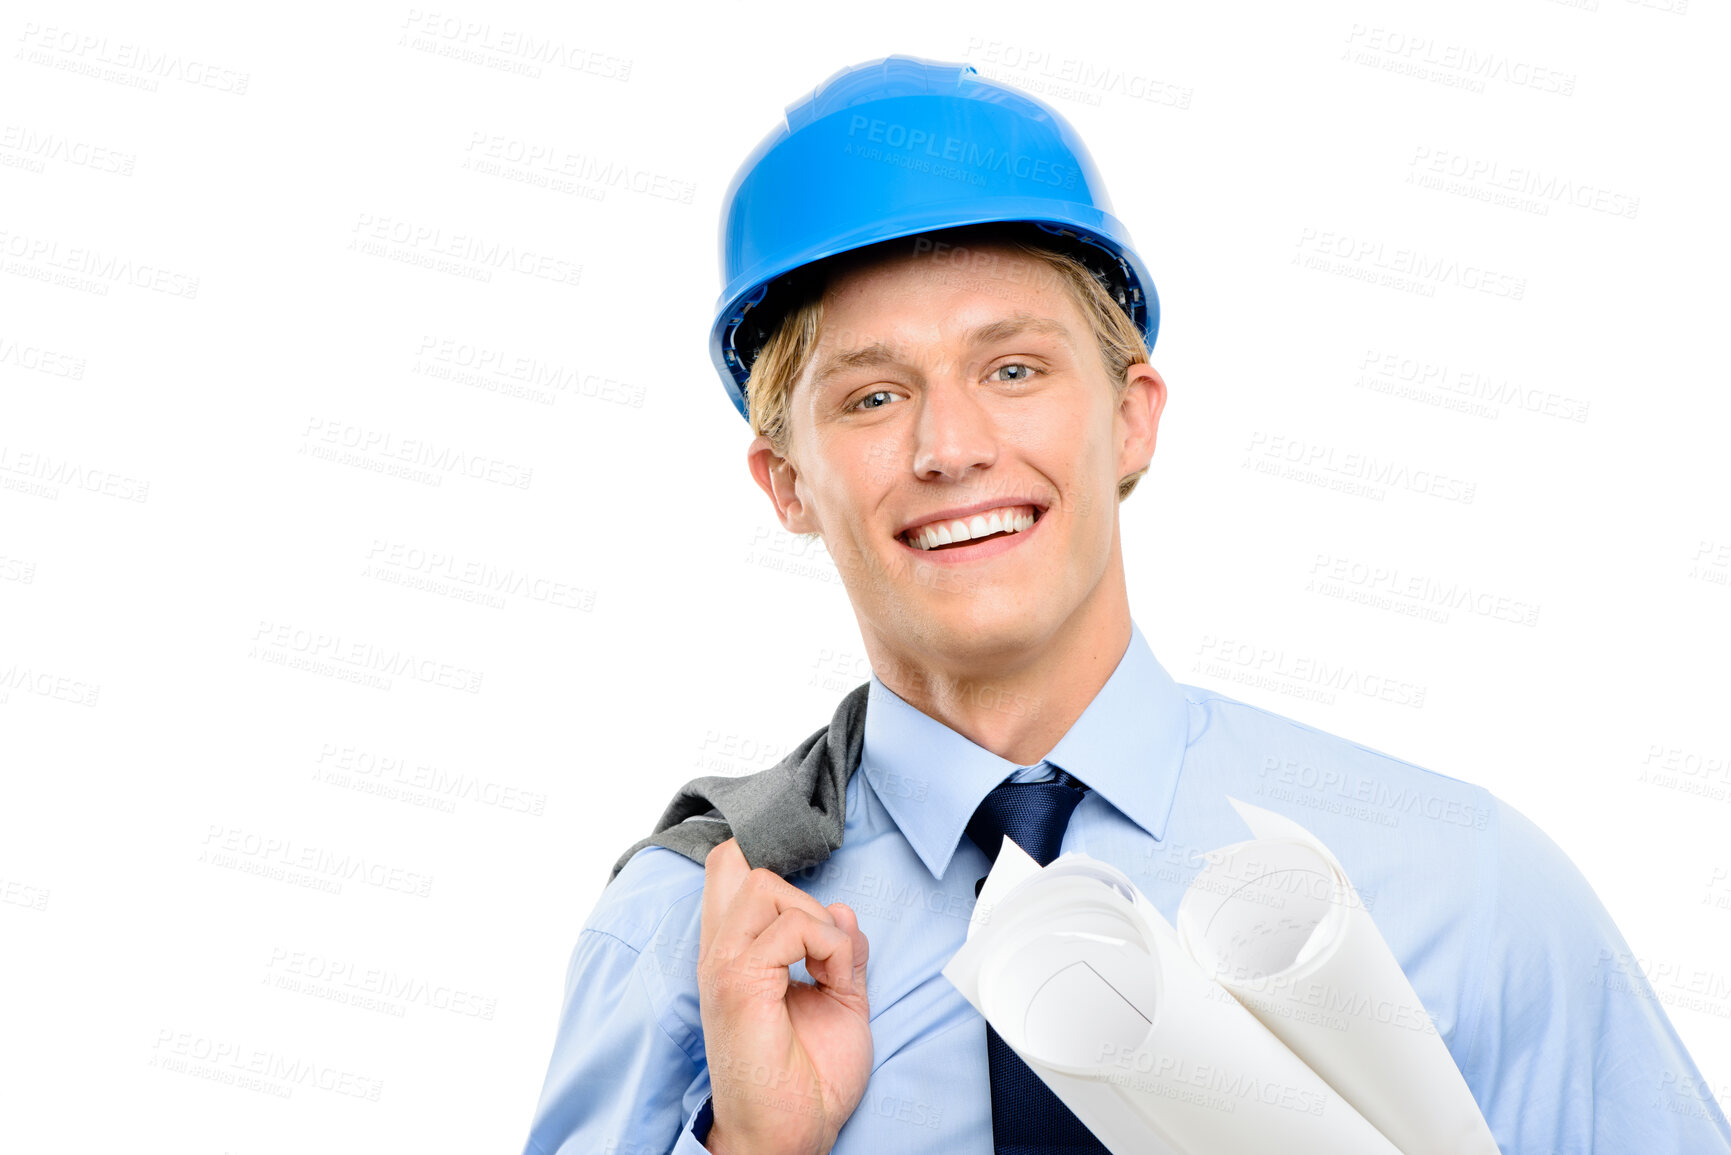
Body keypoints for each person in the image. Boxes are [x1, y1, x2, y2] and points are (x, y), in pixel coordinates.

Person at [521, 56, 1731, 1155]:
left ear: (1132, 416)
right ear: (787, 481)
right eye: (874, 396)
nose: (952, 446)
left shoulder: (1464, 887)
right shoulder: (683, 940)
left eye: (1014, 369)